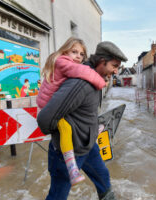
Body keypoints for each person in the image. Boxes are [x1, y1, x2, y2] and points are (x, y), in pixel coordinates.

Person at [37, 41, 127, 200]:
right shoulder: (81, 83)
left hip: (89, 146)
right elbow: (45, 119)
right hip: (68, 152)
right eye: (114, 66)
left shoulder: (94, 78)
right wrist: (64, 134)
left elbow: (85, 112)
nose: (116, 71)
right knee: (58, 195)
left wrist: (90, 129)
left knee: (103, 177)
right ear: (101, 61)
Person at [36, 37, 106, 185]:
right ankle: (72, 168)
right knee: (66, 128)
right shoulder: (63, 62)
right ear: (65, 51)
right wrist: (101, 83)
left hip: (51, 101)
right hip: (48, 104)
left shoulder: (63, 63)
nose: (78, 57)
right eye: (74, 52)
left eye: (81, 54)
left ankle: (92, 131)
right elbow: (82, 71)